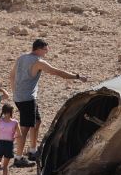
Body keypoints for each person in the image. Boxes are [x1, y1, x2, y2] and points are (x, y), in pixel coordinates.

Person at [9, 39, 88, 167]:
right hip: (27, 99)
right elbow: (57, 72)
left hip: (20, 98)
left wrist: (15, 92)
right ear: (39, 49)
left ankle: (32, 151)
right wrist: (77, 77)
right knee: (25, 128)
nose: (47, 52)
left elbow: (11, 75)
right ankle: (18, 158)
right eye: (45, 49)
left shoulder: (21, 58)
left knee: (37, 122)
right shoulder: (38, 62)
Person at [0, 104, 21, 175]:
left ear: (3, 112)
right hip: (9, 143)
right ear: (10, 112)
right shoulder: (15, 122)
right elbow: (20, 134)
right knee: (6, 165)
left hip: (0, 142)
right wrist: (13, 137)